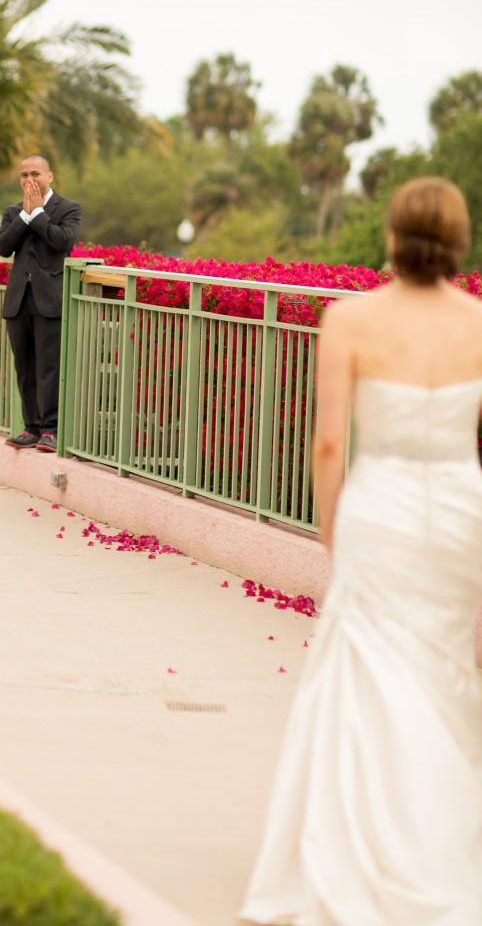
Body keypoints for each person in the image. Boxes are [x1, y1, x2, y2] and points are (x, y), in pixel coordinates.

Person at [239, 178, 482, 926]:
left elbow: (330, 441)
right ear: (458, 239)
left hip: (381, 511)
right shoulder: (478, 322)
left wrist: (331, 527)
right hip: (461, 511)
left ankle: (365, 851)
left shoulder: (350, 320)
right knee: (444, 672)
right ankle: (442, 847)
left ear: (391, 235)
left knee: (374, 673)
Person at [0, 155, 82, 452]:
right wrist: (24, 217)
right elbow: (2, 247)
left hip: (49, 299)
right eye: (23, 175)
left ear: (50, 176)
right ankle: (30, 427)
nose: (29, 180)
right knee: (25, 366)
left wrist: (39, 214)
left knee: (49, 367)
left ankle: (50, 430)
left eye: (35, 174)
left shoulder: (69, 209)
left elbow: (63, 241)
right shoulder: (13, 211)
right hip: (19, 300)